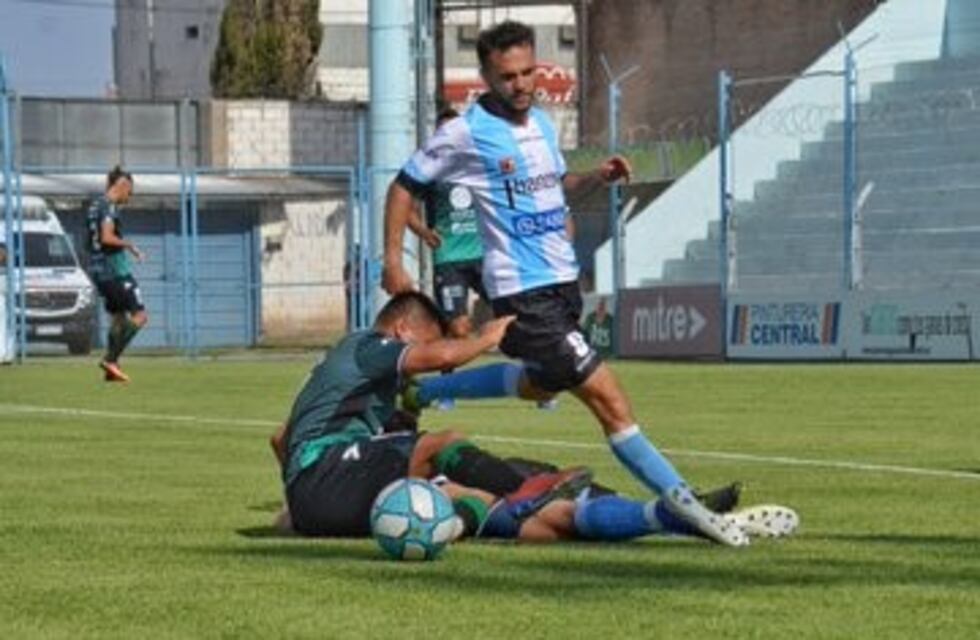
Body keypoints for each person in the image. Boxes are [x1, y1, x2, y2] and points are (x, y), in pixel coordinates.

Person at [382, 21, 748, 546]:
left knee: (538, 383)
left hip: (561, 286)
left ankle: (425, 390)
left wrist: (596, 177)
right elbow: (403, 185)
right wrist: (394, 259)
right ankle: (684, 502)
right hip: (524, 293)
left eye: (529, 71)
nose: (522, 84)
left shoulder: (543, 125)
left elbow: (556, 191)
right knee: (609, 399)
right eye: (508, 76)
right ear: (486, 76)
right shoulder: (464, 133)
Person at [279, 289, 592, 540]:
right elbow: (440, 355)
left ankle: (457, 526)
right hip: (325, 476)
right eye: (424, 342)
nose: (426, 353)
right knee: (442, 443)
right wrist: (487, 338)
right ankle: (525, 490)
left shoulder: (350, 376)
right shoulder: (368, 345)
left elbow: (279, 438)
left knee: (470, 493)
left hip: (317, 497)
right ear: (401, 329)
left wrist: (299, 502)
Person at [406, 107, 488, 340]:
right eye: (444, 130)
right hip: (449, 258)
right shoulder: (430, 170)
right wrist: (424, 232)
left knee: (513, 312)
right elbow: (406, 209)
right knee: (459, 329)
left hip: (485, 255)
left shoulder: (480, 165)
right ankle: (450, 369)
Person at [85, 166, 146, 383]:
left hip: (98, 270)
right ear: (122, 186)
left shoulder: (94, 205)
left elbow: (92, 241)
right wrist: (129, 245)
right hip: (115, 269)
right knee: (140, 316)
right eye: (130, 191)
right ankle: (111, 359)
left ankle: (112, 370)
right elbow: (107, 237)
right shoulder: (109, 208)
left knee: (118, 318)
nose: (130, 196)